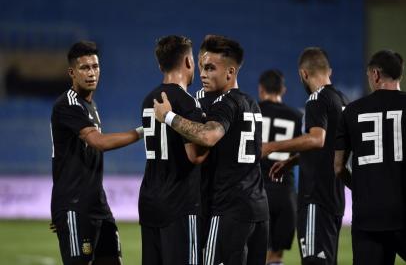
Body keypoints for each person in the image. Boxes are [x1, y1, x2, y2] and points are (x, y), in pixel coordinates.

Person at [154, 35, 269, 265]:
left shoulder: (225, 103)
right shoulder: (251, 102)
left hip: (228, 210)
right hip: (258, 209)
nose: (203, 74)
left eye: (210, 68)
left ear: (230, 72)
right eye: (201, 67)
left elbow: (208, 136)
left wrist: (168, 116)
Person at [50, 41, 143, 265]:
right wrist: (143, 132)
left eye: (95, 66)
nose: (92, 73)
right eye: (85, 68)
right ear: (72, 72)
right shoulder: (67, 105)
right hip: (75, 205)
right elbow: (98, 142)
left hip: (97, 205)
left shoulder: (90, 105)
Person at [264, 47, 348, 265]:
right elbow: (329, 146)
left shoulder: (315, 99)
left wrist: (272, 146)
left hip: (315, 198)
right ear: (329, 70)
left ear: (303, 73)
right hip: (334, 198)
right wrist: (292, 161)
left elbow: (317, 139)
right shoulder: (342, 100)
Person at [139, 35, 206, 265]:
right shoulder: (188, 102)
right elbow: (194, 155)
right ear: (189, 61)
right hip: (179, 204)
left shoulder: (148, 100)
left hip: (149, 200)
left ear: (160, 64)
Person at [334, 50, 406, 265]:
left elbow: (338, 167)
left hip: (368, 214)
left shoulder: (351, 111)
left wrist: (361, 187)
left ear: (375, 74)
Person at [258, 69, 302, 265]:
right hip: (285, 191)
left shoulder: (253, 111)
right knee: (276, 257)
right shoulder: (295, 116)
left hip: (257, 191)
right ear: (283, 90)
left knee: (253, 253)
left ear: (261, 90)